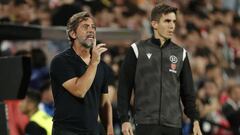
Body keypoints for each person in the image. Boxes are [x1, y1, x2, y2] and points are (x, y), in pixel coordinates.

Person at [117, 4, 202, 135]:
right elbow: (124, 88)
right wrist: (124, 119)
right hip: (145, 123)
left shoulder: (181, 54)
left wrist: (195, 120)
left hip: (173, 125)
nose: (172, 25)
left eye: (174, 21)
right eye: (167, 21)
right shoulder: (137, 49)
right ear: (154, 24)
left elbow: (188, 93)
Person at [50, 11, 114, 135]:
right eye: (85, 27)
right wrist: (94, 63)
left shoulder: (101, 65)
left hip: (93, 131)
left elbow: (105, 102)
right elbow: (79, 91)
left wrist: (109, 130)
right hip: (67, 131)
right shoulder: (61, 61)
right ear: (73, 34)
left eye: (93, 27)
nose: (91, 30)